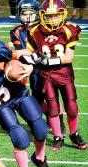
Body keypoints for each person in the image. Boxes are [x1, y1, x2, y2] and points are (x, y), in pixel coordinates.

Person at [26, 0, 87, 150]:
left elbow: (68, 57)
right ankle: (58, 136)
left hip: (64, 73)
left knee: (72, 106)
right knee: (52, 106)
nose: (53, 19)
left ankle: (74, 133)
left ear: (63, 15)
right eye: (49, 16)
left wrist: (48, 61)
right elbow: (30, 53)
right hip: (46, 75)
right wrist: (31, 59)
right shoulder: (35, 30)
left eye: (56, 16)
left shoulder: (69, 29)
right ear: (43, 16)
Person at [10, 0, 66, 140]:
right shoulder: (16, 32)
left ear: (38, 14)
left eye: (31, 13)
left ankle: (60, 122)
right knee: (37, 97)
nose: (28, 17)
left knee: (52, 97)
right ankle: (48, 118)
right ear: (19, 14)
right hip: (32, 68)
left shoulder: (44, 29)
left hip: (48, 67)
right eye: (24, 13)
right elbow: (21, 52)